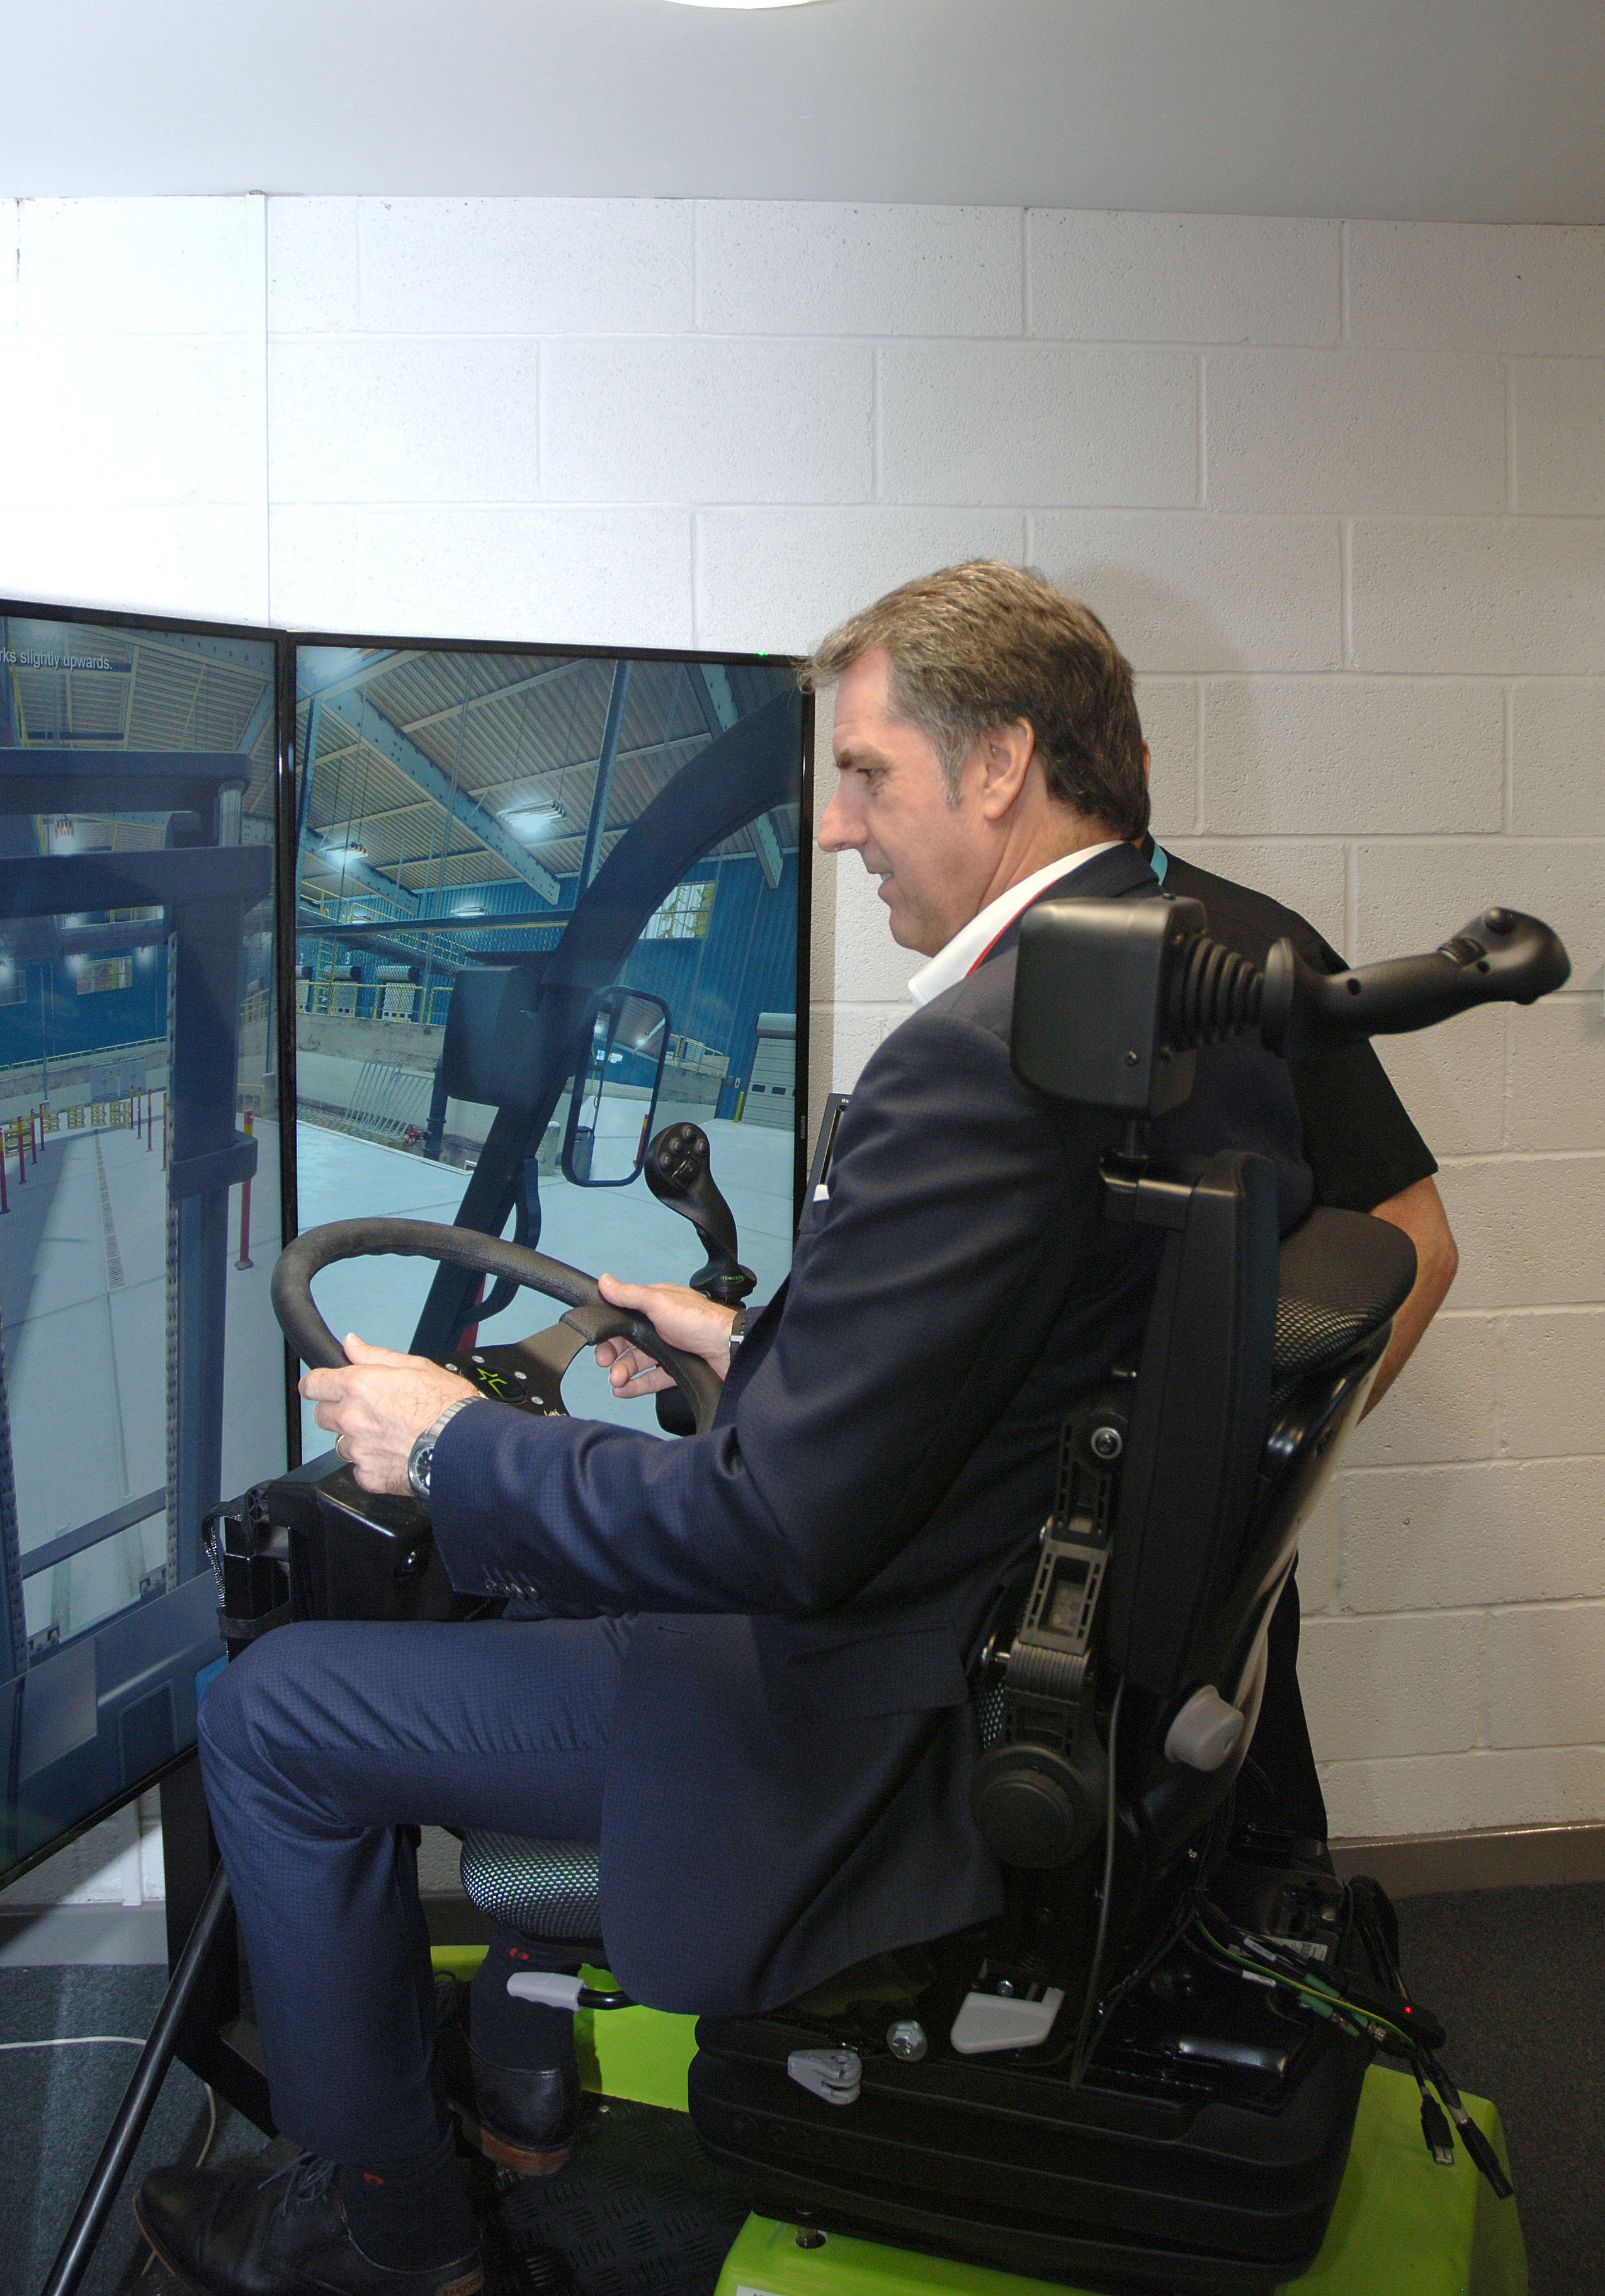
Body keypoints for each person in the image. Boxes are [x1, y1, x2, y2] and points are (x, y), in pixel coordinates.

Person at [135, 565, 1317, 2296]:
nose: (838, 831)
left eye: (865, 776)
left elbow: (772, 1534)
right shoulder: (1179, 1003)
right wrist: (757, 1341)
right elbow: (1025, 1371)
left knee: (275, 1716)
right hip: (980, 1645)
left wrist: (453, 1437)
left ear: (997, 765)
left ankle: (384, 2232)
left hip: (837, 1712)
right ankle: (516, 2085)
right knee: (534, 1568)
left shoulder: (977, 1062)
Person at [1136, 832, 1458, 1845]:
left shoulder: (1247, 951)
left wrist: (1264, 1489)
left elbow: (1419, 1242)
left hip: (1183, 1588)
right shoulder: (996, 968)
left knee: (1239, 1897)